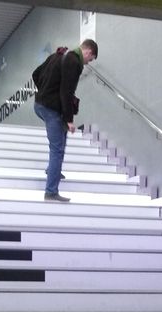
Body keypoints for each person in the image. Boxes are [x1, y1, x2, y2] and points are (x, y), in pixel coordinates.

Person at [32, 39, 98, 202]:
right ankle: (51, 192)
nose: (88, 62)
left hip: (40, 104)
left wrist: (45, 91)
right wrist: (69, 119)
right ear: (88, 52)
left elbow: (35, 74)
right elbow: (66, 92)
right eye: (90, 59)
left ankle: (53, 170)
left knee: (61, 139)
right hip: (50, 109)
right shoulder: (74, 62)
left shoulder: (59, 55)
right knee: (57, 149)